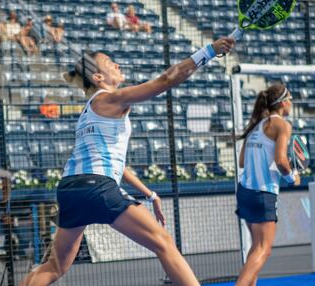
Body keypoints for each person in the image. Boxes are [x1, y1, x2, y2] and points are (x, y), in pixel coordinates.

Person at [20, 37, 235, 286]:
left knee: (55, 265)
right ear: (98, 77)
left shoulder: (89, 110)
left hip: (70, 189)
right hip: (97, 188)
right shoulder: (110, 100)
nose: (117, 65)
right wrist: (208, 51)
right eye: (110, 63)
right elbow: (166, 80)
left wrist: (150, 194)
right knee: (164, 243)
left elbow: (116, 168)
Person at [235, 83, 301, 286]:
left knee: (256, 248)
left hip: (245, 192)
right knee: (264, 249)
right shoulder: (282, 125)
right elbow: (281, 161)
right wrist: (292, 178)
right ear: (282, 103)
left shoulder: (256, 124)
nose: (292, 101)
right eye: (290, 97)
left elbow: (242, 161)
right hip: (263, 195)